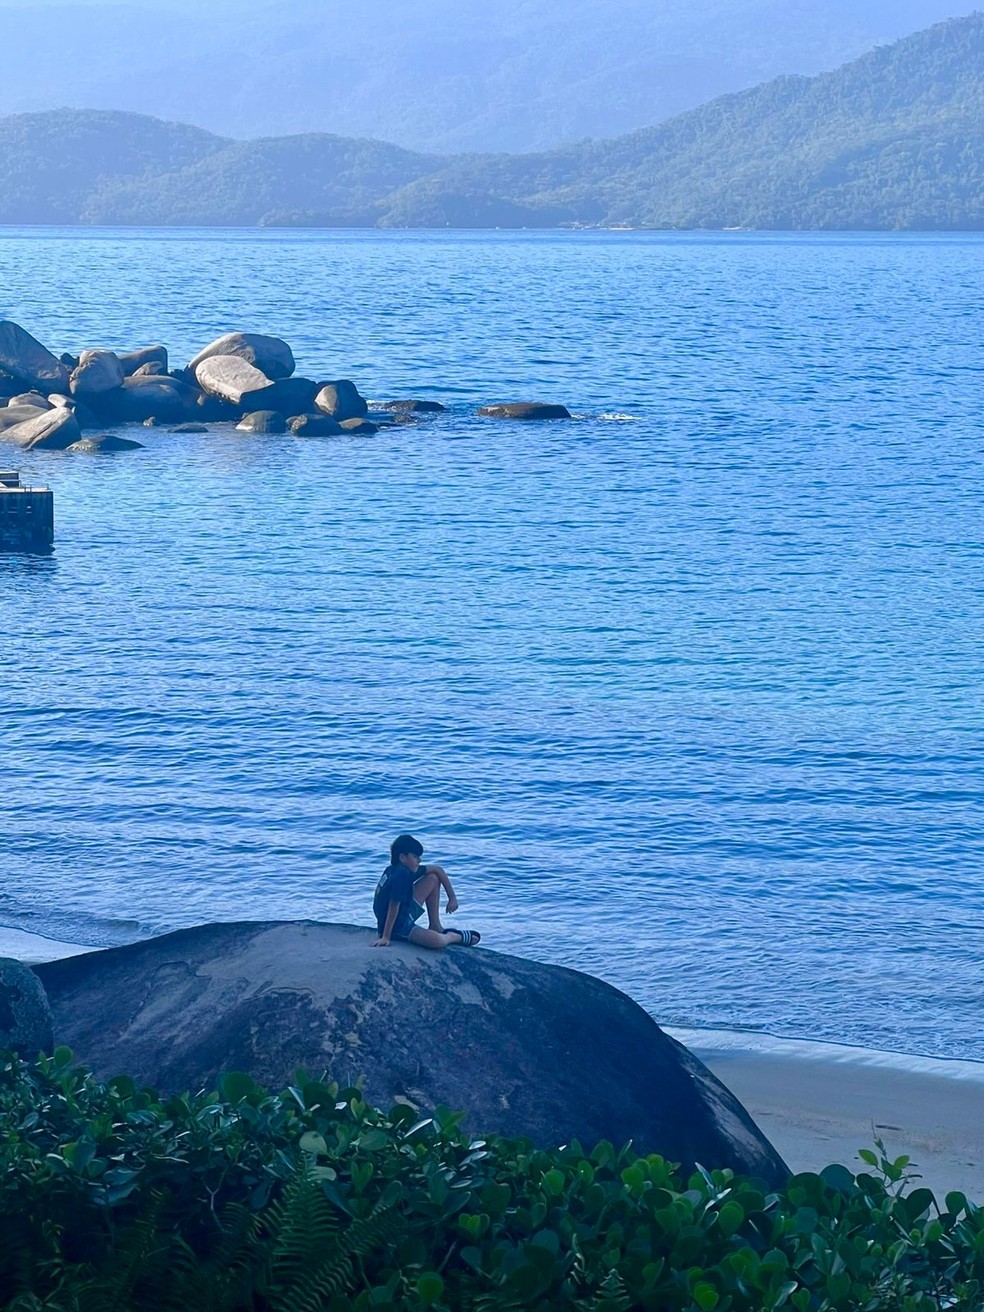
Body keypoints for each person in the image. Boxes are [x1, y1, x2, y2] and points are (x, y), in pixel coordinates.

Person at [373, 834, 481, 949]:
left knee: (433, 878)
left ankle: (435, 925)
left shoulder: (396, 869)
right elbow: (393, 906)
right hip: (397, 926)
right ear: (403, 857)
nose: (419, 860)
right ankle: (454, 937)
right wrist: (386, 937)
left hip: (401, 914)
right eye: (415, 856)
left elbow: (437, 869)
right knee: (437, 942)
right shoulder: (401, 875)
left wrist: (452, 898)